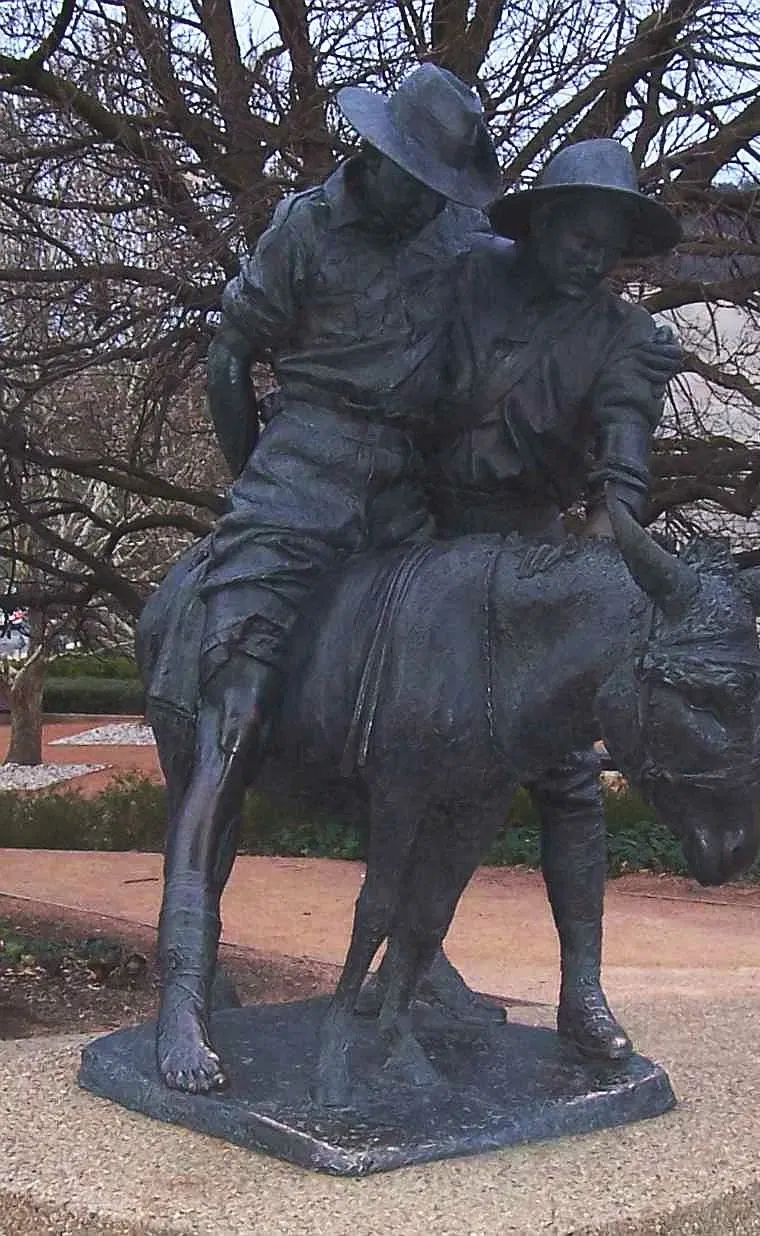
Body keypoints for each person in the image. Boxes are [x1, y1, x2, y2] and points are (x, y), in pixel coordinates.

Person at [153, 63, 501, 1094]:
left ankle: (418, 960)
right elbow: (231, 356)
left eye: (442, 185)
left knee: (457, 712)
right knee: (237, 710)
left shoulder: (461, 243)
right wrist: (256, 482)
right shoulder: (306, 228)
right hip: (299, 469)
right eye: (415, 178)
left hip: (404, 486)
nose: (425, 199)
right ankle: (183, 988)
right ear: (379, 156)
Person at [422, 139, 683, 1059]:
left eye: (608, 245)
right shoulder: (467, 276)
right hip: (415, 535)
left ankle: (582, 991)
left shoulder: (624, 339)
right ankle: (417, 962)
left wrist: (611, 557)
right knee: (400, 752)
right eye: (578, 234)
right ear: (538, 224)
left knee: (567, 778)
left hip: (528, 551)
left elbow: (622, 464)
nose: (592, 257)